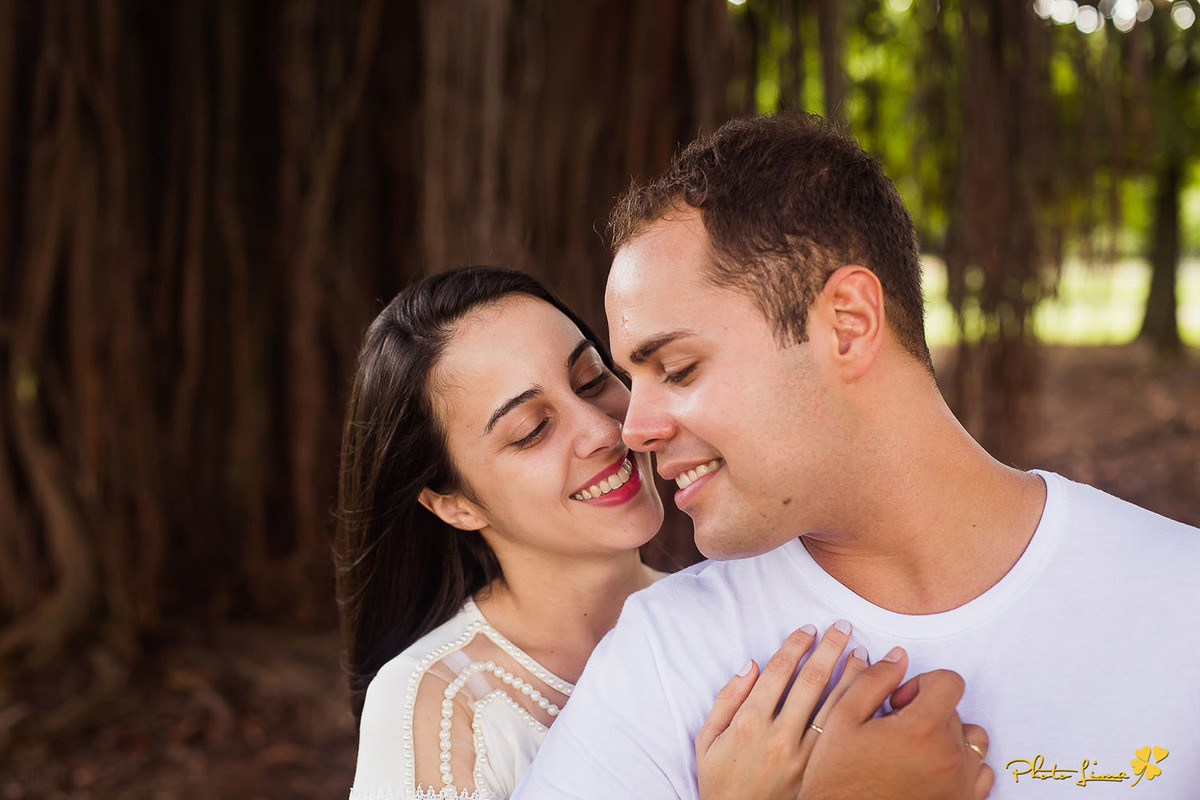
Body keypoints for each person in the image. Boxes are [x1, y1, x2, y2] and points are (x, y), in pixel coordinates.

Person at [514, 113, 1200, 799]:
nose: (633, 429)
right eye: (633, 381)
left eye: (680, 368)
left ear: (847, 325)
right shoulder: (667, 656)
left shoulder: (1180, 602)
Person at [336, 266, 990, 800]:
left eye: (591, 379)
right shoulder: (444, 706)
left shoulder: (733, 618)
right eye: (532, 430)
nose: (603, 429)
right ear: (452, 504)